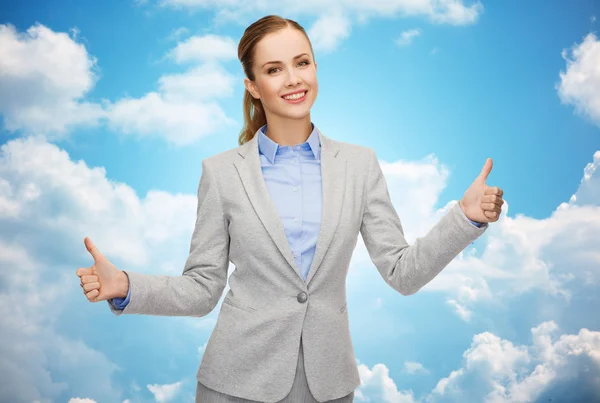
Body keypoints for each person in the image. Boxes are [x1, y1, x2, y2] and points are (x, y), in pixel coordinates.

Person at [76, 14, 505, 403]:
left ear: (316, 68)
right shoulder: (222, 172)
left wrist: (464, 218)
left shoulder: (360, 165)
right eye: (273, 69)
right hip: (234, 384)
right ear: (252, 85)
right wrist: (126, 286)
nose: (292, 79)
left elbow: (401, 272)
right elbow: (204, 287)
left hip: (329, 386)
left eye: (302, 63)